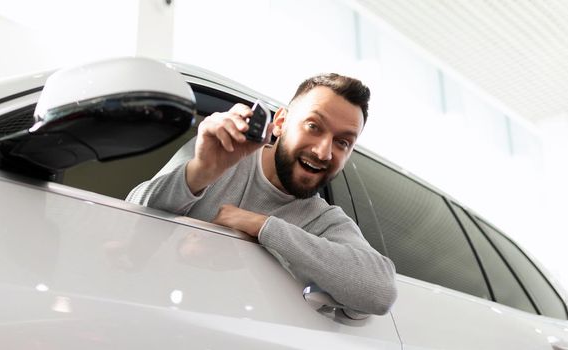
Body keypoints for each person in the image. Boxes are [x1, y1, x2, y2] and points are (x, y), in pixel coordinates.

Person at [127, 73, 397, 315]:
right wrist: (200, 172)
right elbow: (127, 221)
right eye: (313, 126)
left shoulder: (323, 221)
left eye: (342, 142)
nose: (323, 152)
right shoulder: (221, 152)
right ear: (280, 122)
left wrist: (260, 226)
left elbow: (381, 291)